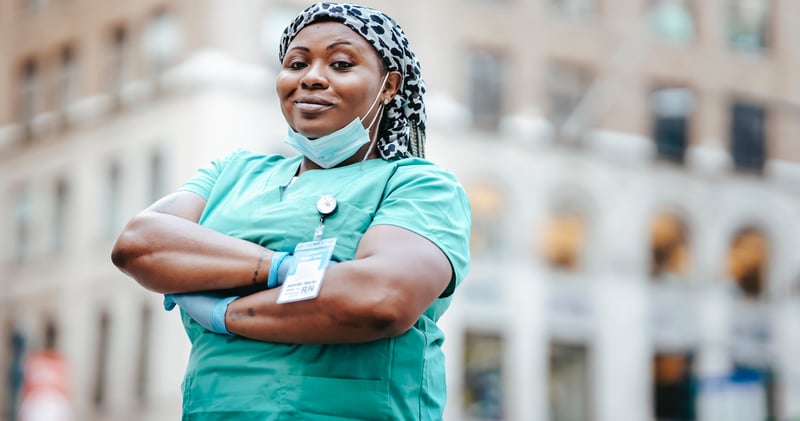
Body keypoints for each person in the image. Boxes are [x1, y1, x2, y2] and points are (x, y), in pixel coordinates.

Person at [111, 2, 471, 420]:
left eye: (340, 63)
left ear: (389, 86)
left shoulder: (419, 185)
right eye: (297, 63)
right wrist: (287, 270)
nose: (312, 77)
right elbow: (138, 245)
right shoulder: (234, 172)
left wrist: (224, 313)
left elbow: (381, 298)